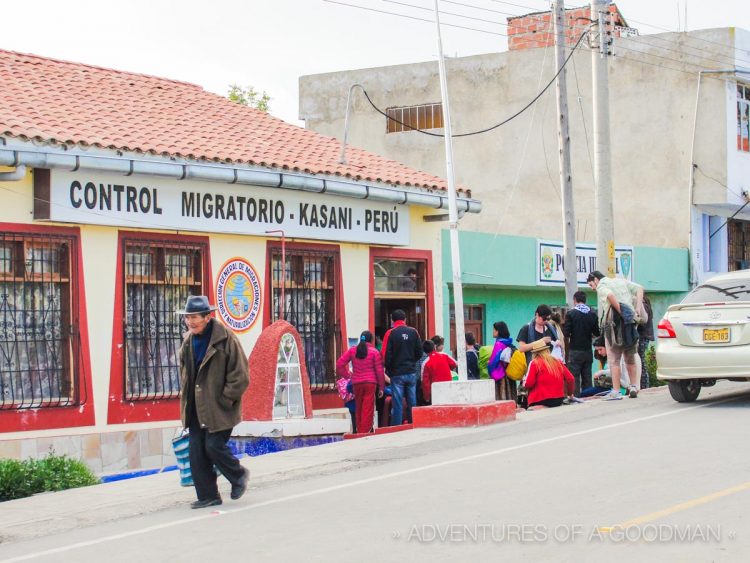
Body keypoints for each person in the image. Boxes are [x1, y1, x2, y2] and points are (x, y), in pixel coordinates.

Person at [177, 295, 249, 510]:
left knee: (213, 446)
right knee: (196, 452)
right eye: (187, 317)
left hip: (219, 407)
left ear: (207, 317)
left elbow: (241, 375)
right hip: (196, 407)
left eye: (194, 317)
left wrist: (227, 398)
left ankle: (239, 475)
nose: (190, 322)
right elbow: (185, 373)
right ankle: (208, 495)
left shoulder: (225, 339)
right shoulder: (189, 341)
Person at [587, 271, 644, 400]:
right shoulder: (620, 281)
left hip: (613, 324)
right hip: (629, 321)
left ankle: (616, 391)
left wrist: (620, 310)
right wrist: (638, 308)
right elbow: (640, 288)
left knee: (614, 359)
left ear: (596, 279)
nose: (593, 288)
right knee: (630, 356)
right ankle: (634, 386)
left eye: (591, 285)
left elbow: (610, 296)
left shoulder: (602, 285)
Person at [336, 330, 385, 434]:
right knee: (368, 408)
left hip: (356, 383)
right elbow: (379, 371)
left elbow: (339, 364)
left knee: (359, 407)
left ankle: (359, 430)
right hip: (370, 384)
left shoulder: (353, 351)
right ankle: (364, 431)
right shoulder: (374, 352)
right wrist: (381, 387)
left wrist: (348, 376)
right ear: (371, 340)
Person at [382, 309, 422, 425]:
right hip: (411, 372)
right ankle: (413, 423)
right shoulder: (414, 332)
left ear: (392, 320)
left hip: (397, 373)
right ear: (405, 319)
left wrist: (390, 368)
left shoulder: (390, 333)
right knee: (412, 401)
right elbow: (419, 352)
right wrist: (411, 361)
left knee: (398, 402)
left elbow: (385, 355)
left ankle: (397, 427)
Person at [562, 291, 600, 396]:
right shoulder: (592, 313)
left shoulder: (571, 314)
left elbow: (566, 333)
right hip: (588, 350)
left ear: (575, 300)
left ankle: (575, 397)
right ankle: (588, 397)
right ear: (585, 300)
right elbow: (597, 332)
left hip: (575, 350)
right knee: (587, 376)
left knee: (575, 377)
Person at [523, 340, 575, 409]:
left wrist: (524, 382)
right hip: (558, 399)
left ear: (534, 353)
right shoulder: (557, 361)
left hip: (539, 400)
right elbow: (570, 379)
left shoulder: (534, 363)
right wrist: (570, 394)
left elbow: (529, 383)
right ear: (547, 350)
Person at [486, 321, 518, 402]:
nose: (493, 332)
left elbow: (493, 362)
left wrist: (489, 364)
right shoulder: (508, 343)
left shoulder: (499, 344)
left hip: (501, 377)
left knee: (502, 400)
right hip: (509, 375)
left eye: (494, 330)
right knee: (510, 398)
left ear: (498, 331)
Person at [421, 339, 457, 404]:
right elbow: (455, 364)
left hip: (435, 393)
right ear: (434, 347)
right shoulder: (444, 355)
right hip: (448, 388)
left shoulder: (425, 363)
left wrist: (427, 397)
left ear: (424, 351)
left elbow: (425, 382)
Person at [637, 294, 654, 389]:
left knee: (641, 362)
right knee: (640, 361)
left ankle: (644, 386)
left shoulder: (643, 306)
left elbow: (643, 322)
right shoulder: (645, 305)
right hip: (645, 336)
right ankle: (643, 385)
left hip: (642, 336)